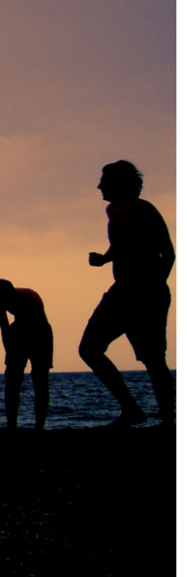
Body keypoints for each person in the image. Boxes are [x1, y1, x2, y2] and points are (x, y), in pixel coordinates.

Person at [78, 160, 175, 426]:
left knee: (153, 359)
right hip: (122, 292)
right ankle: (131, 409)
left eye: (104, 181)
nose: (99, 186)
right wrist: (105, 258)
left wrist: (154, 286)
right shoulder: (112, 210)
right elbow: (122, 246)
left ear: (119, 183)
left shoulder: (145, 210)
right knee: (89, 348)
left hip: (145, 293)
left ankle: (169, 420)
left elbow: (168, 253)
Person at [0, 279, 53, 430]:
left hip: (40, 331)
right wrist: (9, 351)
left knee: (40, 379)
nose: (0, 304)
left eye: (2, 300)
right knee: (12, 380)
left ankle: (39, 427)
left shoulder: (28, 297)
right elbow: (4, 327)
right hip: (18, 330)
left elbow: (33, 326)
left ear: (9, 294)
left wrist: (15, 346)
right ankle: (12, 426)